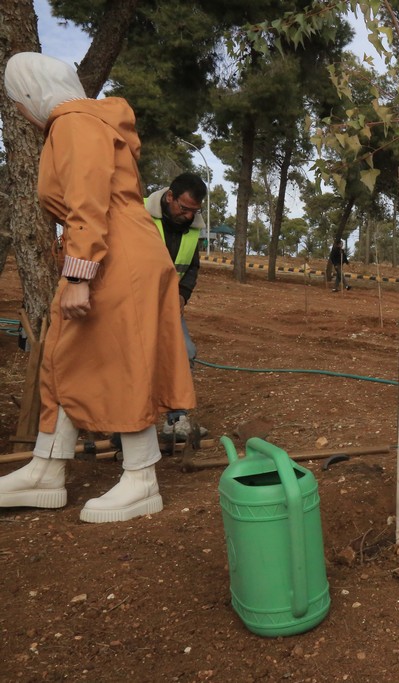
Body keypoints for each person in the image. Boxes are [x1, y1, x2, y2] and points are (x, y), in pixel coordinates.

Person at [0, 53, 195, 522]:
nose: (19, 112)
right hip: (122, 248)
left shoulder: (73, 121)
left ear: (29, 93)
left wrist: (79, 274)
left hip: (111, 253)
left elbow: (87, 201)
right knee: (67, 354)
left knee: (119, 360)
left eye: (15, 101)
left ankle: (142, 478)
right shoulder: (88, 121)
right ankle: (47, 466)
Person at [145, 172, 207, 438]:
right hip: (133, 301)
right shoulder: (139, 215)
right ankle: (128, 420)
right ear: (170, 197)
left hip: (169, 301)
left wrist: (182, 294)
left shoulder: (194, 226)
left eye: (195, 210)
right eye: (184, 208)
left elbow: (191, 266)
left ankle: (175, 419)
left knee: (185, 351)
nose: (189, 216)